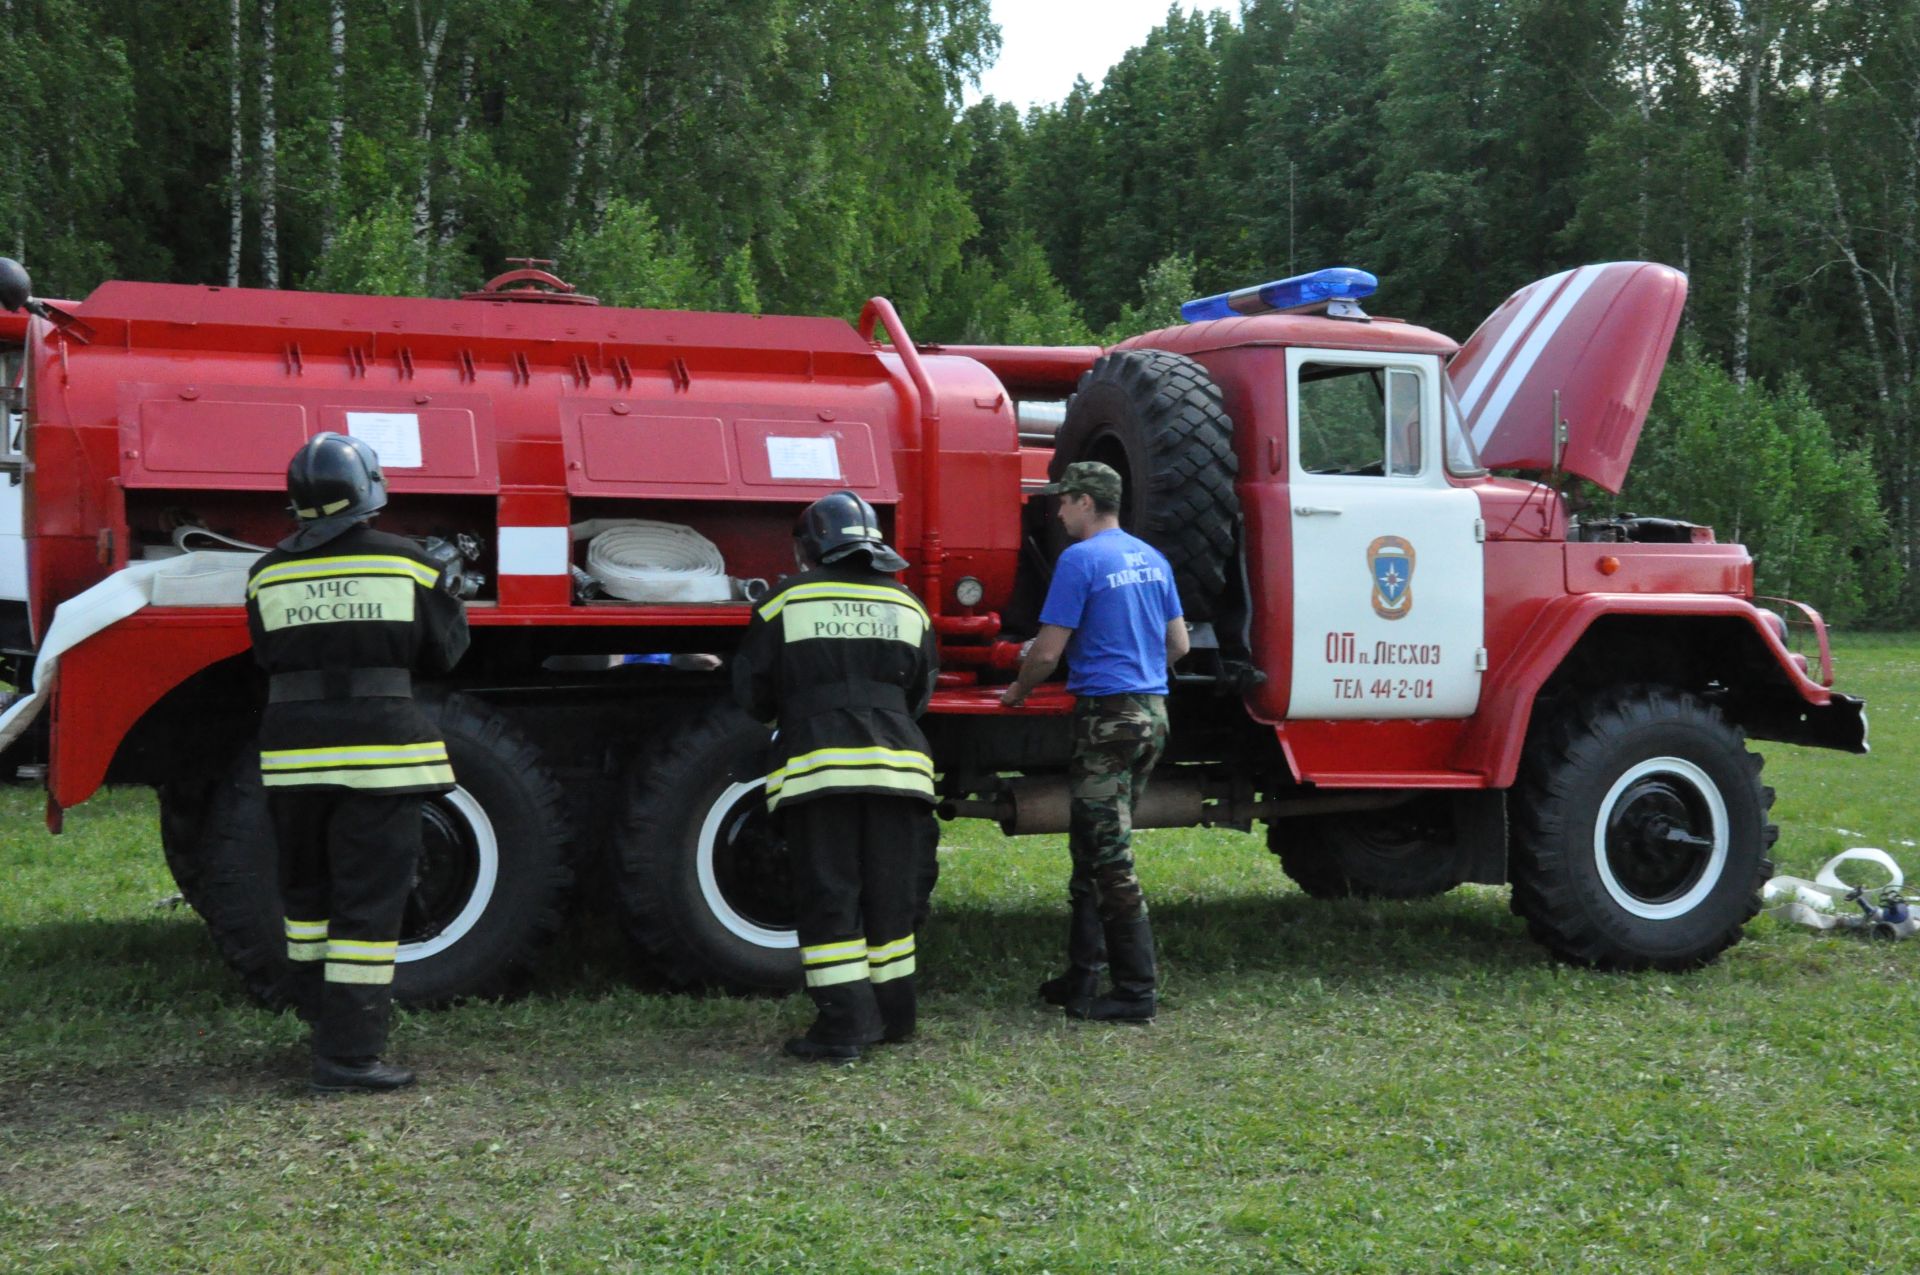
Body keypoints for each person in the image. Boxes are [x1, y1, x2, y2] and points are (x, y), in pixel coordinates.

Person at [244, 432, 470, 1094]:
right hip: (380, 757)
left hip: (292, 760)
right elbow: (447, 653)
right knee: (369, 912)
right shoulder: (411, 565)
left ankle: (320, 1021)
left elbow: (265, 654)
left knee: (308, 902)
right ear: (369, 490)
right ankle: (349, 1057)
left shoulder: (266, 572)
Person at [733, 490, 940, 1063]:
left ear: (809, 548)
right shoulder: (908, 604)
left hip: (817, 769)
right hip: (901, 770)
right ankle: (895, 1016)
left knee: (831, 897)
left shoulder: (782, 603)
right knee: (891, 899)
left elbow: (751, 692)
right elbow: (921, 692)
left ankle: (845, 1028)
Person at [1000, 461, 1189, 1022]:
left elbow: (1047, 652)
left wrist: (1016, 691)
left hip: (1106, 721)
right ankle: (1082, 977)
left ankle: (1135, 992)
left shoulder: (1079, 560)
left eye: (1063, 502)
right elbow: (1177, 644)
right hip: (1152, 717)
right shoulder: (1152, 559)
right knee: (1092, 844)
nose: (1057, 512)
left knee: (1109, 859)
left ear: (1086, 502)